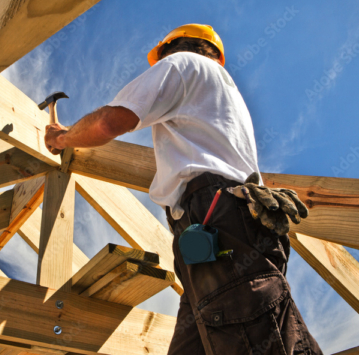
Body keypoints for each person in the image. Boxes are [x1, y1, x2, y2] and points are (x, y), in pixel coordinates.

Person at [44, 24, 322, 355]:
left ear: (169, 50)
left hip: (217, 221)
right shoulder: (221, 94)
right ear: (216, 55)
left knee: (252, 336)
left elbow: (109, 122)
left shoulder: (182, 64)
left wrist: (62, 138)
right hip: (219, 231)